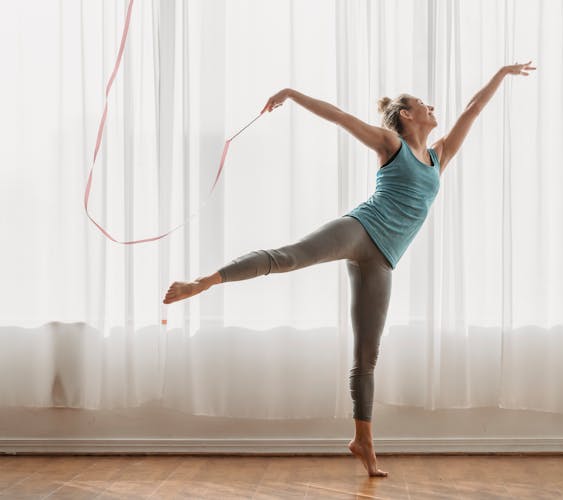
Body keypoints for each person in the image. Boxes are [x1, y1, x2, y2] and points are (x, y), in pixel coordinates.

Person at [163, 61, 536, 477]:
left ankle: (364, 441)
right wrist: (291, 93)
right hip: (360, 229)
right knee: (290, 257)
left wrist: (502, 74)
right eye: (421, 104)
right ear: (407, 116)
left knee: (367, 355)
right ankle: (204, 281)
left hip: (384, 259)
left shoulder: (438, 155)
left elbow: (473, 108)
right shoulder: (389, 144)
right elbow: (340, 117)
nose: (432, 106)